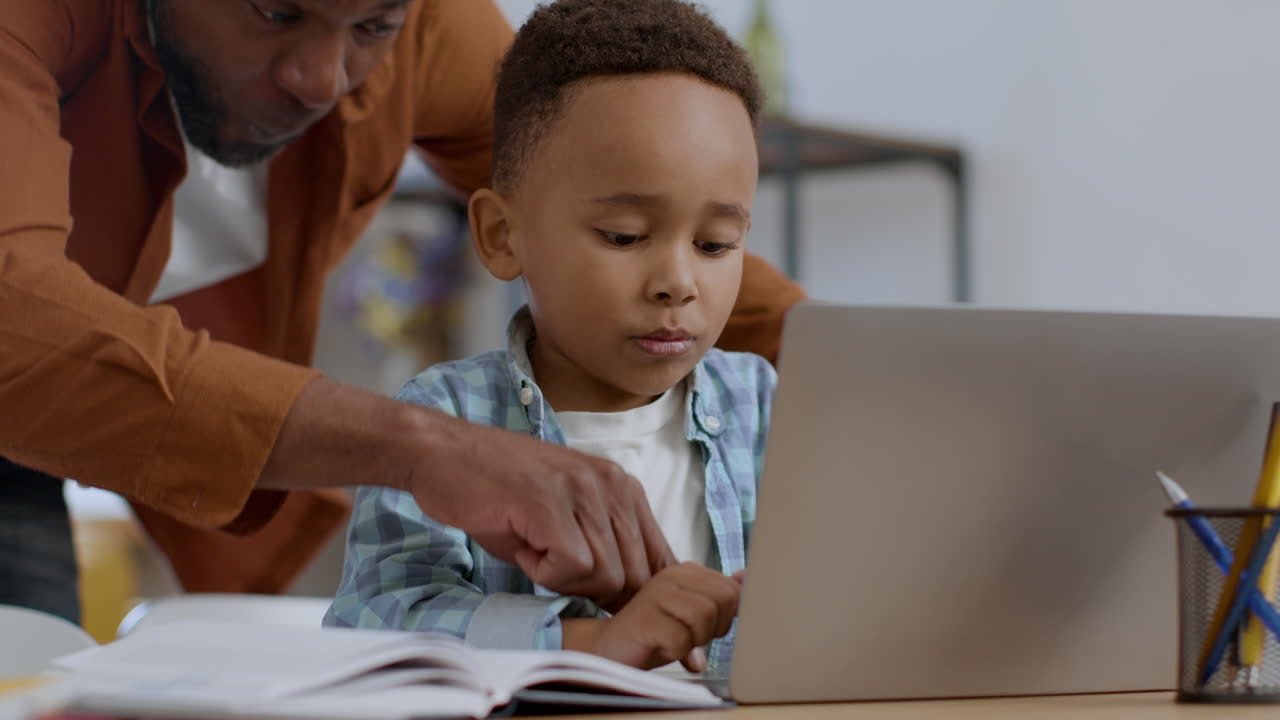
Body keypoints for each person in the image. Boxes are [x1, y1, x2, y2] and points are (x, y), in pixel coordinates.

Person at [0, 0, 805, 623]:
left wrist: (871, 363)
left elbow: (598, 173)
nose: (323, 78)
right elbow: (13, 325)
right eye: (277, 11)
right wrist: (421, 448)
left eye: (373, 26)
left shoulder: (430, 27)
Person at [326, 0, 772, 674]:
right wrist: (588, 645)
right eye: (623, 235)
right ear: (503, 237)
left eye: (716, 243)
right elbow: (373, 619)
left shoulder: (765, 404)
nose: (678, 282)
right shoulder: (445, 420)